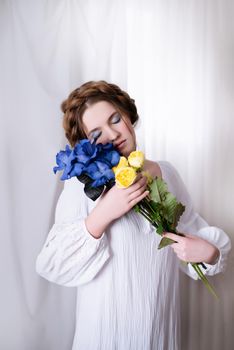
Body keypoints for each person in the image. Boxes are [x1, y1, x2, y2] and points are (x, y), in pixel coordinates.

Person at [36, 80, 231, 350]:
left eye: (115, 119)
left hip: (160, 333)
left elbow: (188, 237)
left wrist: (209, 253)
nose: (112, 134)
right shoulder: (84, 186)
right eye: (96, 134)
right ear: (86, 145)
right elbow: (52, 264)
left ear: (128, 114)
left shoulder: (167, 174)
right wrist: (102, 214)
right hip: (106, 336)